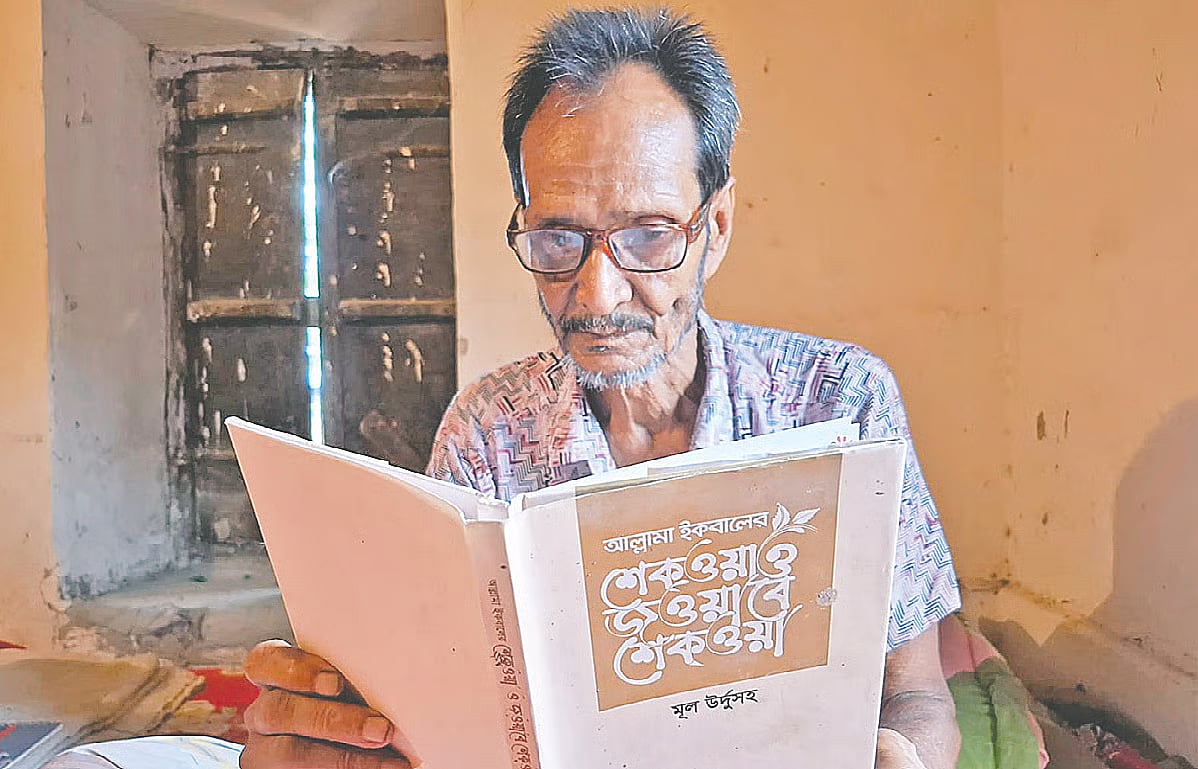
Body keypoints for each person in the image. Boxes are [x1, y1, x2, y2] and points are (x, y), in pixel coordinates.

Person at [239, 8, 962, 769]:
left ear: (715, 225)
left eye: (649, 233)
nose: (598, 294)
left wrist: (905, 756)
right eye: (558, 239)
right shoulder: (489, 431)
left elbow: (916, 694)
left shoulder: (841, 401)